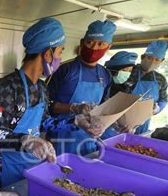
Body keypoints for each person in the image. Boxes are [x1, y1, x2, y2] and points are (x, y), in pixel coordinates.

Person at [0, 18, 102, 187]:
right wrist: (25, 140)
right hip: (8, 167)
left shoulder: (41, 88)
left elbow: (46, 122)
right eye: (60, 52)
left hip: (33, 164)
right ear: (47, 53)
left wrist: (76, 122)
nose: (60, 59)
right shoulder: (6, 87)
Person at [47, 20, 116, 155]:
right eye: (90, 42)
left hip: (89, 139)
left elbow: (105, 107)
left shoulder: (105, 75)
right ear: (82, 42)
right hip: (61, 137)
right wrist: (75, 108)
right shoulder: (64, 70)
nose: (94, 48)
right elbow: (46, 105)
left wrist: (115, 123)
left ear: (108, 47)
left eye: (100, 44)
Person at [126, 40, 168, 134]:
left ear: (162, 61)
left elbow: (164, 99)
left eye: (157, 59)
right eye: (149, 58)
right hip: (123, 121)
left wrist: (157, 109)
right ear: (143, 57)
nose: (152, 62)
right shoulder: (128, 71)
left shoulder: (160, 79)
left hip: (144, 122)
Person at [101, 50, 139, 138]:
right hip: (99, 130)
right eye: (124, 70)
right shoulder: (102, 85)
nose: (127, 73)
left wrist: (130, 125)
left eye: (130, 70)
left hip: (117, 132)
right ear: (114, 70)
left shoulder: (125, 87)